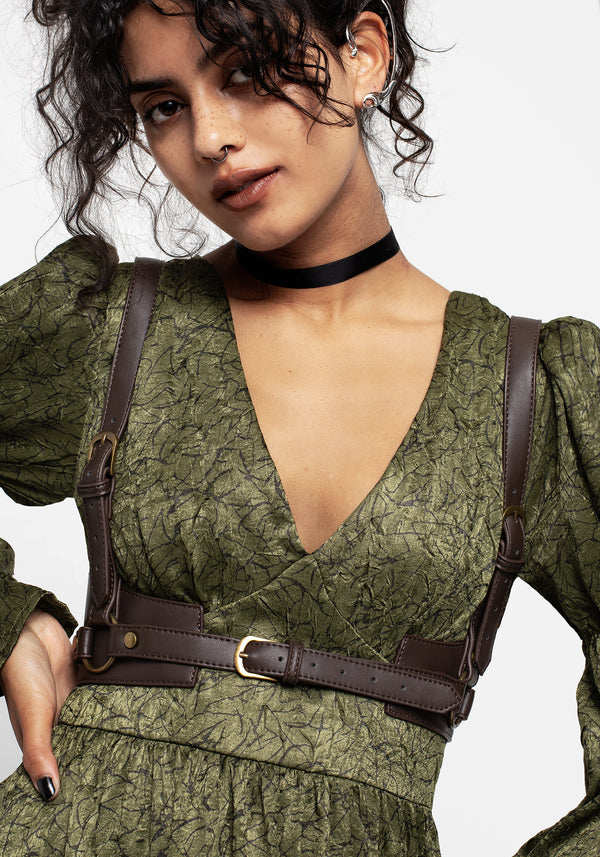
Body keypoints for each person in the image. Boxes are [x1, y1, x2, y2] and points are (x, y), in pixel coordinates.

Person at [0, 1, 598, 855]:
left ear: (363, 55)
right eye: (164, 106)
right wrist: (12, 623)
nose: (210, 136)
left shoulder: (534, 390)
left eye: (246, 71)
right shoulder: (110, 327)